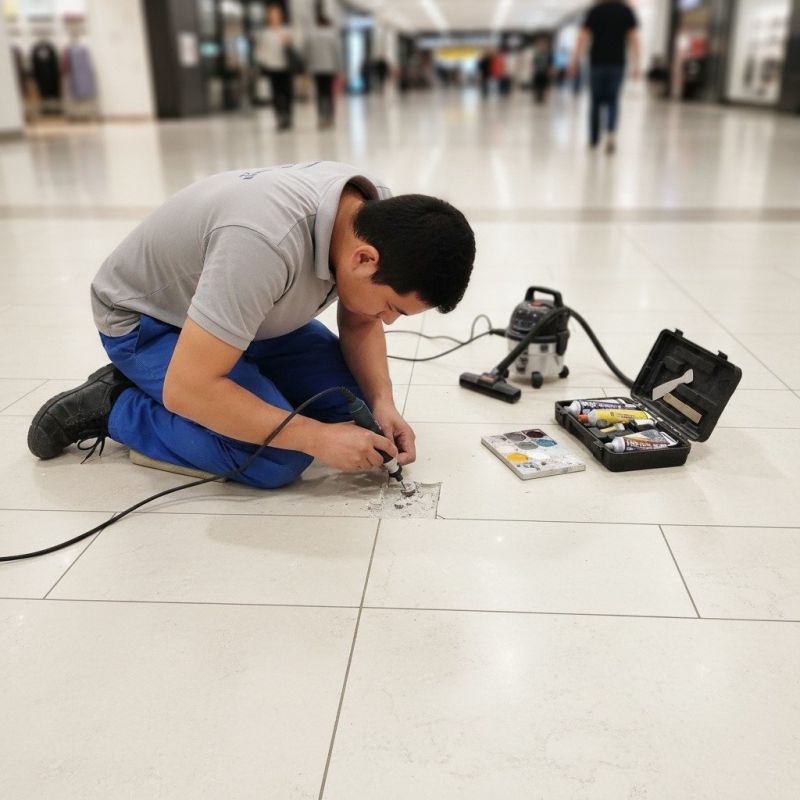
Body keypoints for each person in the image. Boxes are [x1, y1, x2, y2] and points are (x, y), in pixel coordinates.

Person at [27, 162, 476, 490]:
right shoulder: (262, 243)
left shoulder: (374, 216)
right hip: (152, 321)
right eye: (392, 307)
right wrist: (315, 438)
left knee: (352, 413)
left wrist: (383, 403)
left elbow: (360, 318)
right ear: (364, 259)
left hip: (251, 313)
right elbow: (190, 387)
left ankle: (234, 376)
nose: (389, 321)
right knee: (276, 457)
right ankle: (117, 404)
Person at [569, 0, 640, 154]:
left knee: (595, 101)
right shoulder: (626, 11)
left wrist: (575, 60)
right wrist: (637, 64)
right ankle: (611, 133)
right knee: (613, 100)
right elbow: (634, 38)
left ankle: (594, 139)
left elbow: (583, 36)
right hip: (618, 63)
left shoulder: (595, 10)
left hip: (597, 62)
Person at [254, 3, 296, 131]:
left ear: (281, 16)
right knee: (276, 94)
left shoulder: (287, 30)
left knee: (288, 93)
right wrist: (262, 62)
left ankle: (288, 116)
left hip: (286, 67)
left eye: (276, 14)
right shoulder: (264, 33)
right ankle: (279, 118)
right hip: (272, 68)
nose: (274, 17)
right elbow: (258, 52)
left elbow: (295, 48)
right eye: (271, 14)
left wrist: (288, 44)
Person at [305, 14, 342, 129]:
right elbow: (337, 52)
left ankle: (321, 117)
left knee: (319, 93)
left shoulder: (310, 35)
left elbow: (306, 52)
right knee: (329, 93)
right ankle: (329, 118)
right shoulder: (332, 35)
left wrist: (307, 66)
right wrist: (339, 68)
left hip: (316, 68)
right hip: (329, 68)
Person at [532, 38, 553, 105]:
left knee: (544, 86)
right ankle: (538, 97)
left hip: (545, 72)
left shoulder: (548, 54)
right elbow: (534, 63)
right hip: (538, 72)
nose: (542, 46)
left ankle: (542, 97)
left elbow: (550, 63)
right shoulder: (537, 54)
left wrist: (550, 70)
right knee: (537, 86)